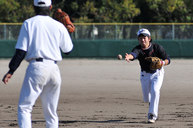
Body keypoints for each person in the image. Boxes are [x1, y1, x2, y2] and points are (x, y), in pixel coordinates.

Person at [2, 0, 73, 127]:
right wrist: (67, 30)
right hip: (54, 69)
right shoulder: (58, 25)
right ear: (50, 7)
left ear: (34, 7)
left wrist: (11, 70)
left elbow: (21, 51)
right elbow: (68, 50)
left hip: (36, 68)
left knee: (24, 108)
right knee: (51, 113)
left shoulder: (28, 23)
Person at [125, 28, 170, 123]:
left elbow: (168, 60)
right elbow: (133, 55)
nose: (142, 40)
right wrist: (129, 56)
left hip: (157, 73)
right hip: (144, 75)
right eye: (140, 38)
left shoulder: (157, 48)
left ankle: (152, 115)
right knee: (147, 98)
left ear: (149, 38)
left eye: (144, 37)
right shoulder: (138, 49)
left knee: (155, 91)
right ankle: (151, 103)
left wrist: (162, 62)